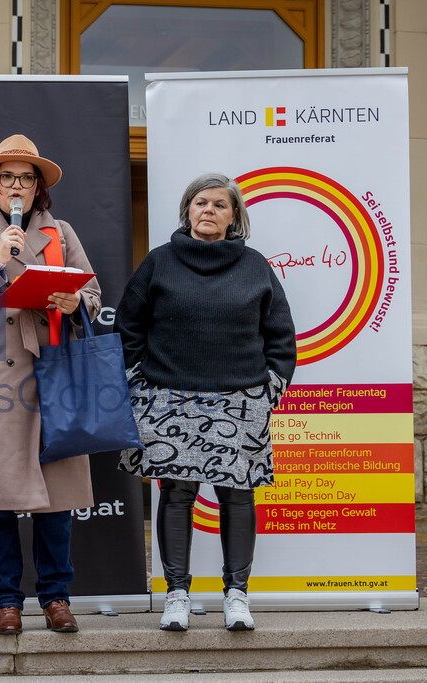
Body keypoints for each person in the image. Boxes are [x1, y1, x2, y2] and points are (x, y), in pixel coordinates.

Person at [115, 172, 296, 632]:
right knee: (177, 496)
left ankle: (237, 595)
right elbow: (129, 327)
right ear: (187, 211)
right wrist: (140, 381)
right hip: (169, 398)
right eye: (200, 203)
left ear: (235, 216)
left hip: (240, 400)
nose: (208, 210)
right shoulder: (158, 263)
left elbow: (280, 335)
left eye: (219, 204)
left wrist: (270, 387)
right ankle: (177, 594)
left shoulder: (255, 266)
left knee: (238, 497)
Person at [0, 134, 102, 635]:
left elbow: (92, 291)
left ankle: (56, 597)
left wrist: (77, 304)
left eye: (25, 178)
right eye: (6, 176)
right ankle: (6, 600)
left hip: (52, 373)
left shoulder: (61, 232)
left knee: (56, 500)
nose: (16, 186)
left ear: (38, 188)